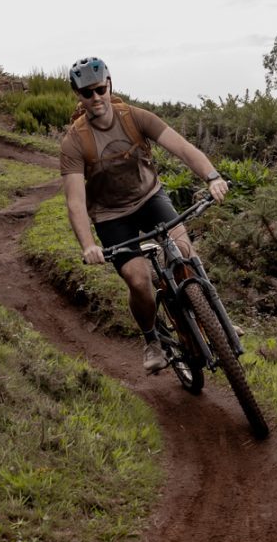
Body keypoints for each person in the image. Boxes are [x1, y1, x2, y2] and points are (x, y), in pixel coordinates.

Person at [59, 56, 230, 374]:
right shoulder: (74, 142)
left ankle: (216, 321)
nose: (96, 98)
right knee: (138, 281)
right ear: (78, 95)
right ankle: (152, 339)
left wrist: (212, 176)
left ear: (109, 84)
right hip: (111, 215)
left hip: (150, 198)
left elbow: (182, 148)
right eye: (87, 93)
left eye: (100, 89)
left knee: (185, 252)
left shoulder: (135, 117)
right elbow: (75, 202)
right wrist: (87, 245)